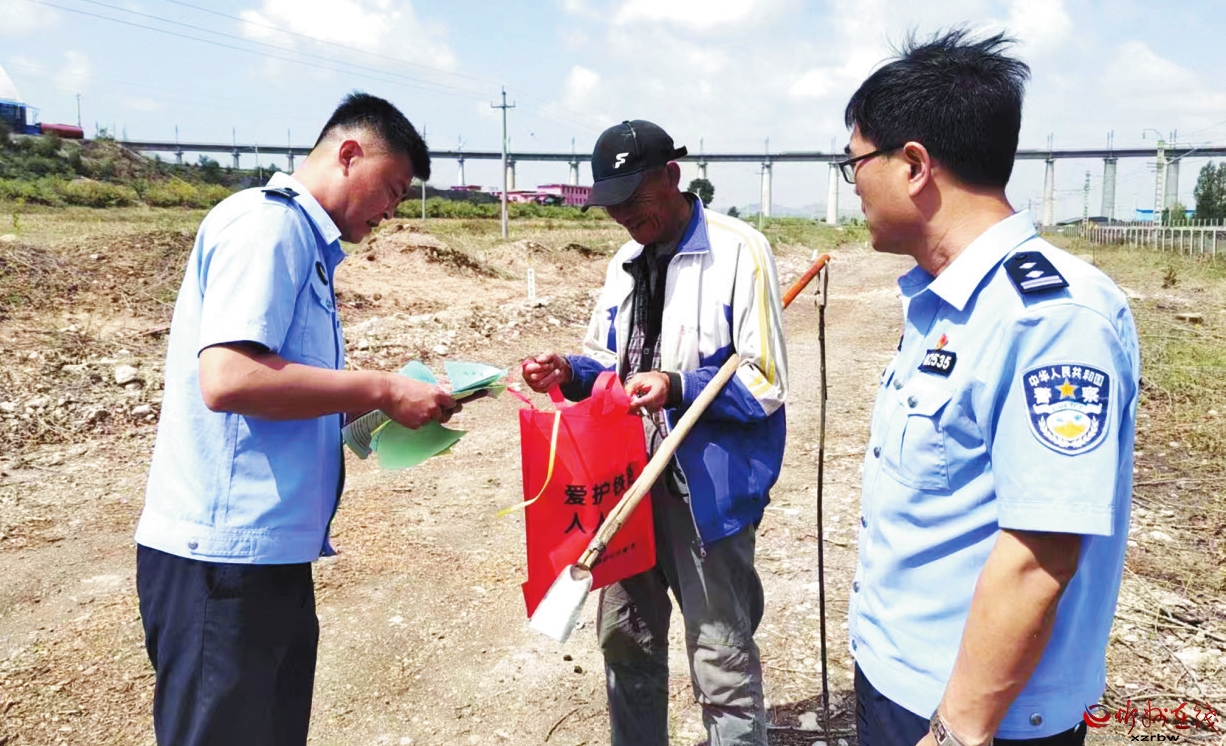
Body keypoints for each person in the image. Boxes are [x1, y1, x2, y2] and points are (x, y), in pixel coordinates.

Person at [839, 30, 1140, 746]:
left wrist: (956, 730)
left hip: (975, 716)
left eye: (854, 164)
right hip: (900, 675)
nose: (852, 187)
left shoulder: (1050, 319)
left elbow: (1039, 553)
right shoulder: (944, 302)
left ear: (914, 165)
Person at [134, 92, 457, 746]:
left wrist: (381, 407)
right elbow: (230, 378)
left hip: (270, 557)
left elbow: (284, 392)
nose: (392, 211)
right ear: (349, 154)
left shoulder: (306, 246)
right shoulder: (268, 228)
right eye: (392, 190)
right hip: (221, 564)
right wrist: (380, 387)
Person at [523, 119, 788, 746]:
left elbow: (765, 383)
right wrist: (569, 372)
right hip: (624, 489)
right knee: (625, 642)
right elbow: (606, 365)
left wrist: (676, 385)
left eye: (633, 199)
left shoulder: (738, 250)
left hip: (703, 499)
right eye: (611, 205)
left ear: (672, 176)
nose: (622, 216)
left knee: (721, 658)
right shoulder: (623, 262)